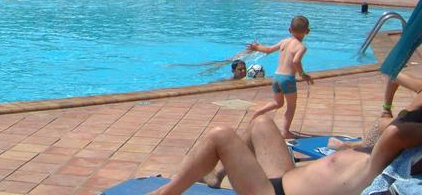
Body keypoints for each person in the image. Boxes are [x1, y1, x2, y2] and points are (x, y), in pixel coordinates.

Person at [153, 94, 422, 195]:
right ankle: (216, 176)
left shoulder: (381, 161)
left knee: (220, 135)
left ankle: (166, 193)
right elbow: (398, 120)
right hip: (284, 178)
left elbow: (394, 130)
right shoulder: (378, 153)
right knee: (261, 123)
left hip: (273, 194)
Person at [247, 15, 314, 138]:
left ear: (289, 30)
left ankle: (259, 112)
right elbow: (296, 61)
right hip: (287, 79)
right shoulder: (301, 47)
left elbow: (268, 50)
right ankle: (285, 131)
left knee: (277, 103)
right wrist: (303, 74)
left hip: (277, 77)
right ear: (308, 31)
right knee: (291, 106)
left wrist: (257, 47)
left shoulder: (284, 42)